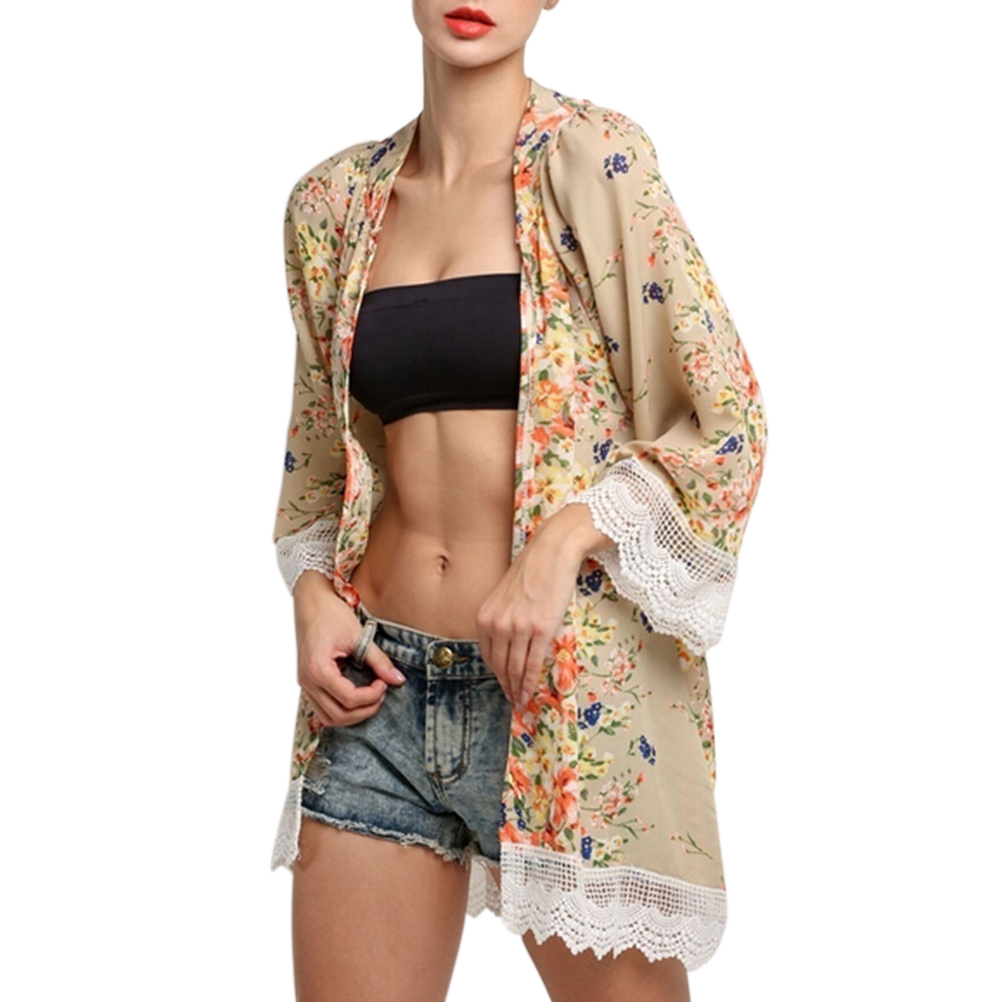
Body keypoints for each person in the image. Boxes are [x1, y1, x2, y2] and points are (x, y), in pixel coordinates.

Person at [270, 2, 769, 999]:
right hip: (377, 696)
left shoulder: (596, 164)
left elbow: (727, 423)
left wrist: (564, 540)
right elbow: (319, 462)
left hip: (563, 698)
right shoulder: (333, 204)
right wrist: (313, 598)